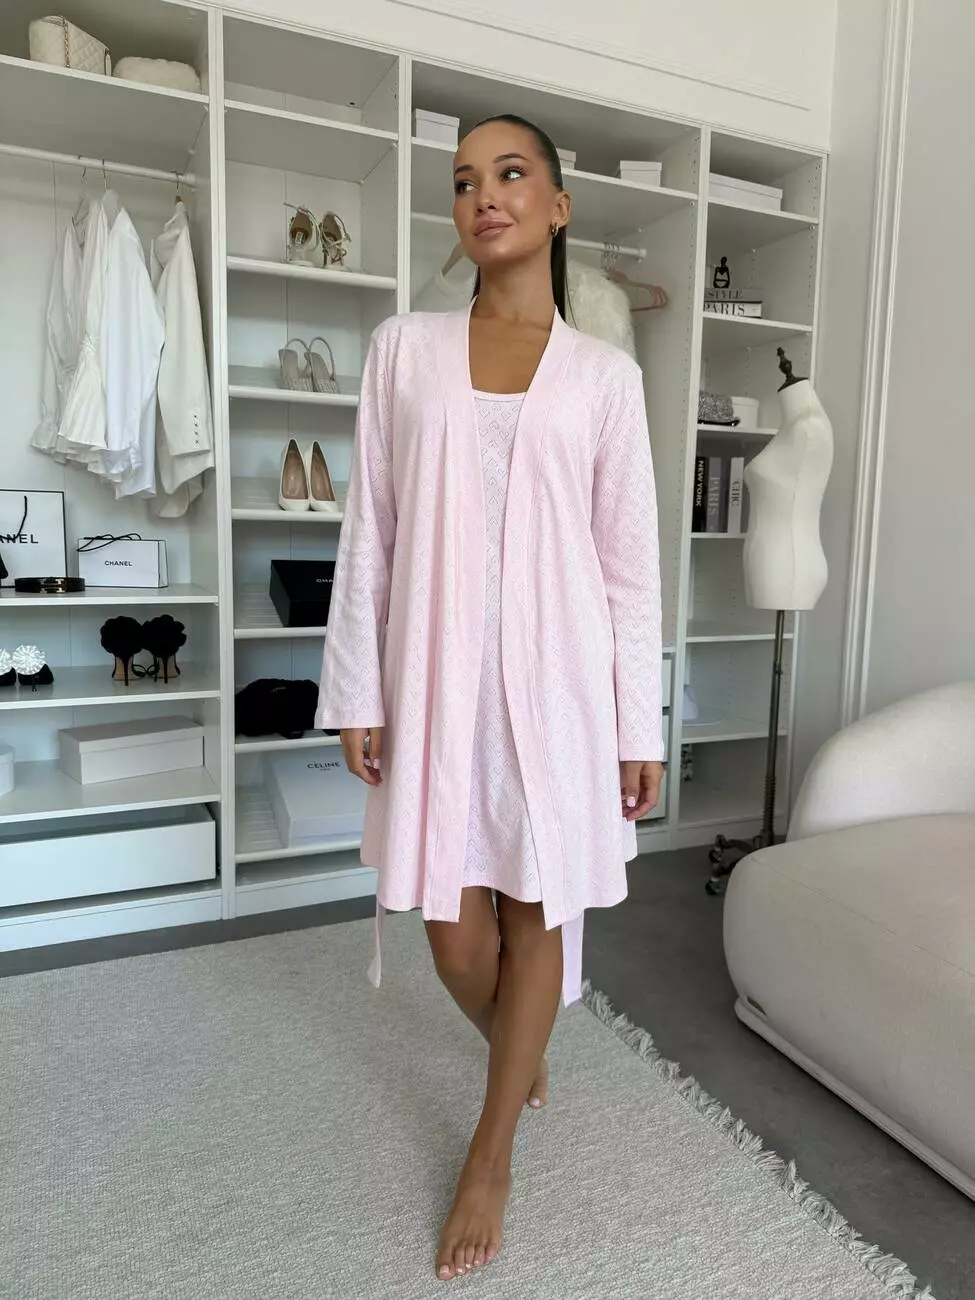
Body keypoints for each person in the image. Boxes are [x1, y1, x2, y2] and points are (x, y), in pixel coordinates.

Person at [317, 113, 664, 1281]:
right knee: (455, 936)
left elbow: (629, 571)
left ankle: (491, 1147)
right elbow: (371, 529)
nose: (485, 196)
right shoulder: (403, 350)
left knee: (535, 914)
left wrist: (637, 722)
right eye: (465, 181)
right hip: (438, 684)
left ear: (558, 208)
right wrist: (358, 687)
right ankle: (519, 1050)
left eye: (511, 175)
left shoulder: (606, 379)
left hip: (561, 691)